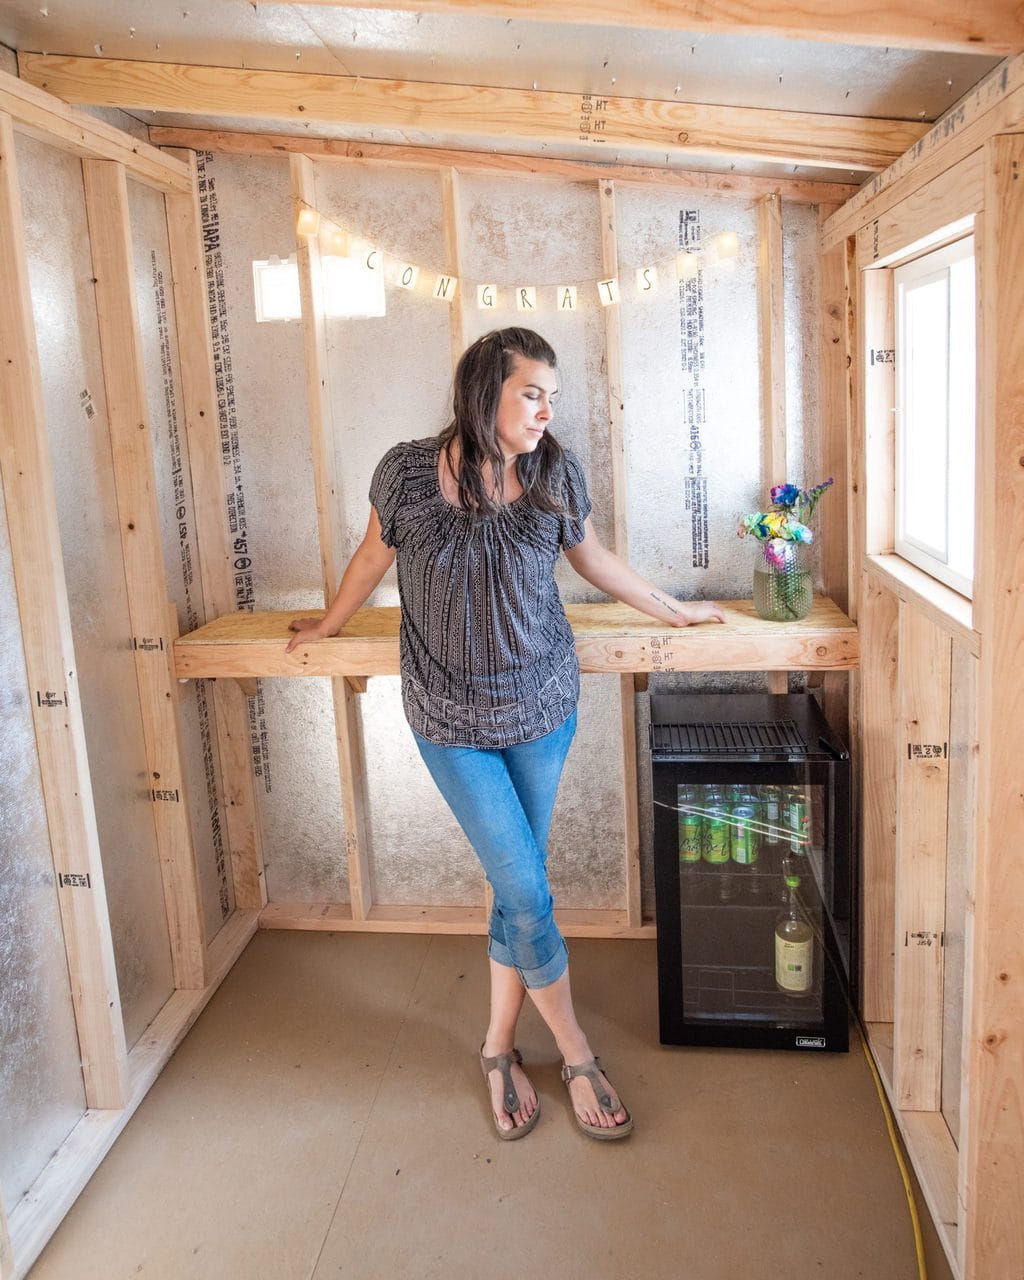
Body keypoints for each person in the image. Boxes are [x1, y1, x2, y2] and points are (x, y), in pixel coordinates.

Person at [286, 327, 724, 1141]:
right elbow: (370, 561)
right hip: (449, 721)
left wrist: (676, 609)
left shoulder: (554, 471)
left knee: (514, 886)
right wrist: (328, 624)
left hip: (541, 711)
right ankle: (575, 1050)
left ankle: (496, 1049)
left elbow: (594, 561)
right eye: (531, 393)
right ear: (484, 390)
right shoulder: (406, 473)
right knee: (525, 891)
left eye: (551, 396)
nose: (546, 411)